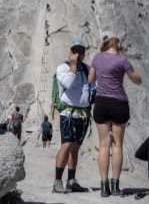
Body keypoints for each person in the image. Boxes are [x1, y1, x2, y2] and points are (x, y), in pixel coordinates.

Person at [88, 31, 142, 197]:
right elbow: (137, 80)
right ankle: (116, 186)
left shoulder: (97, 58)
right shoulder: (122, 60)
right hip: (119, 103)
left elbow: (90, 80)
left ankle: (104, 187)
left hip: (102, 102)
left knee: (104, 144)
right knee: (117, 145)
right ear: (116, 43)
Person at [52, 40, 91, 194]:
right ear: (71, 53)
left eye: (81, 52)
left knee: (75, 147)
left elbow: (95, 85)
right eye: (75, 51)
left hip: (82, 114)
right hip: (68, 113)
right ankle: (57, 182)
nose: (78, 55)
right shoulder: (63, 68)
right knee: (66, 145)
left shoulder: (87, 69)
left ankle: (71, 181)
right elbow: (68, 83)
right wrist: (73, 66)